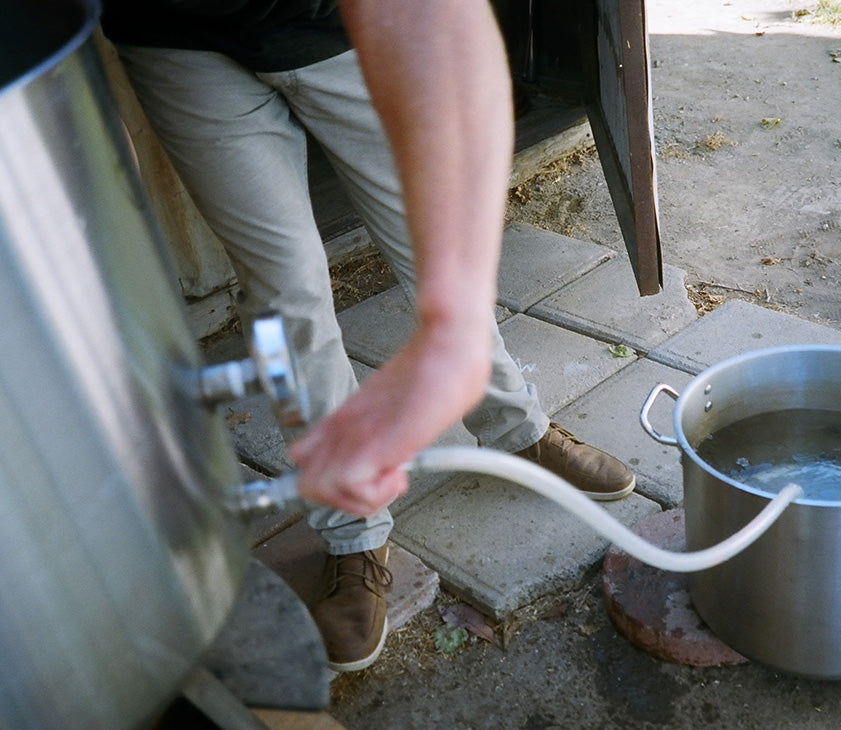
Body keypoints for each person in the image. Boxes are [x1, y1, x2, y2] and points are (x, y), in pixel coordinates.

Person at [99, 0, 635, 673]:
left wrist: (456, 329)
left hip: (346, 27)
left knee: (433, 243)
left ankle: (515, 427)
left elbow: (442, 23)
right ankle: (351, 533)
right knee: (280, 290)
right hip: (178, 44)